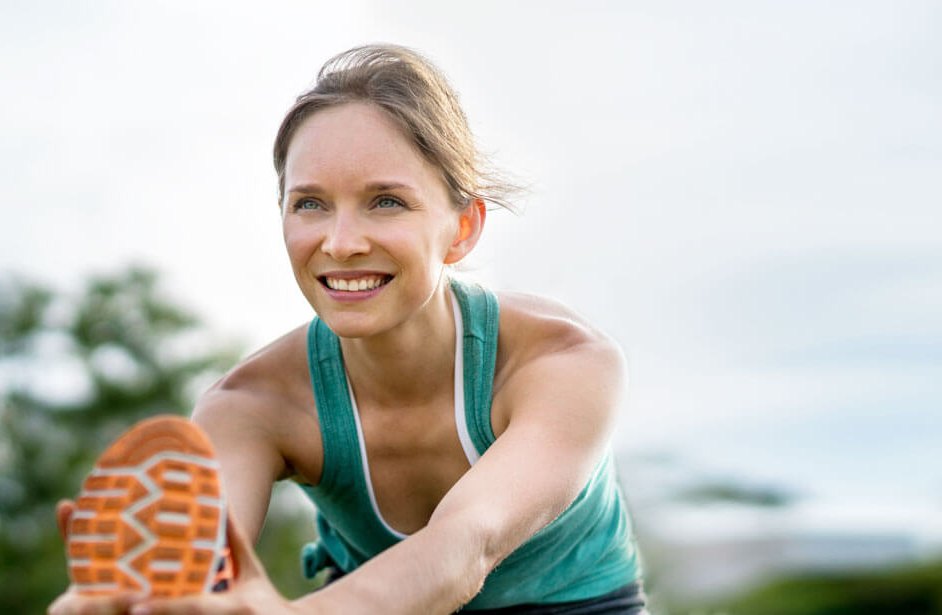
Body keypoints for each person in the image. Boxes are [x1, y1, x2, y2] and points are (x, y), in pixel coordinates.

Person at [50, 43, 645, 615]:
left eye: (386, 201)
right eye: (310, 204)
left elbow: (468, 544)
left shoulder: (565, 363)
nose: (341, 243)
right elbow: (196, 567)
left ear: (462, 227)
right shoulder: (249, 405)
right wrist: (148, 600)